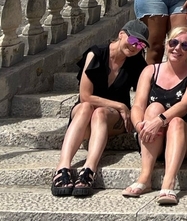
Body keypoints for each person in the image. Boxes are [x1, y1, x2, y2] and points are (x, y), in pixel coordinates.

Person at [51, 20, 148, 198]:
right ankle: (63, 167)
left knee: (100, 112)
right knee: (87, 107)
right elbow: (85, 96)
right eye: (134, 40)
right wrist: (120, 105)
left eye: (141, 44)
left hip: (111, 119)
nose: (136, 47)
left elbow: (145, 96)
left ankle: (89, 169)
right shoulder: (97, 53)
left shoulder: (137, 63)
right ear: (121, 34)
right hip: (87, 114)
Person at [124, 26, 187, 204]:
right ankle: (145, 177)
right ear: (167, 44)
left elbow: (186, 104)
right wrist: (139, 126)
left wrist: (160, 121)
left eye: (185, 45)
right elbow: (137, 105)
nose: (178, 48)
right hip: (153, 135)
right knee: (153, 108)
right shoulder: (150, 70)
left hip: (184, 136)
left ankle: (169, 182)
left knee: (176, 121)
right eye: (174, 43)